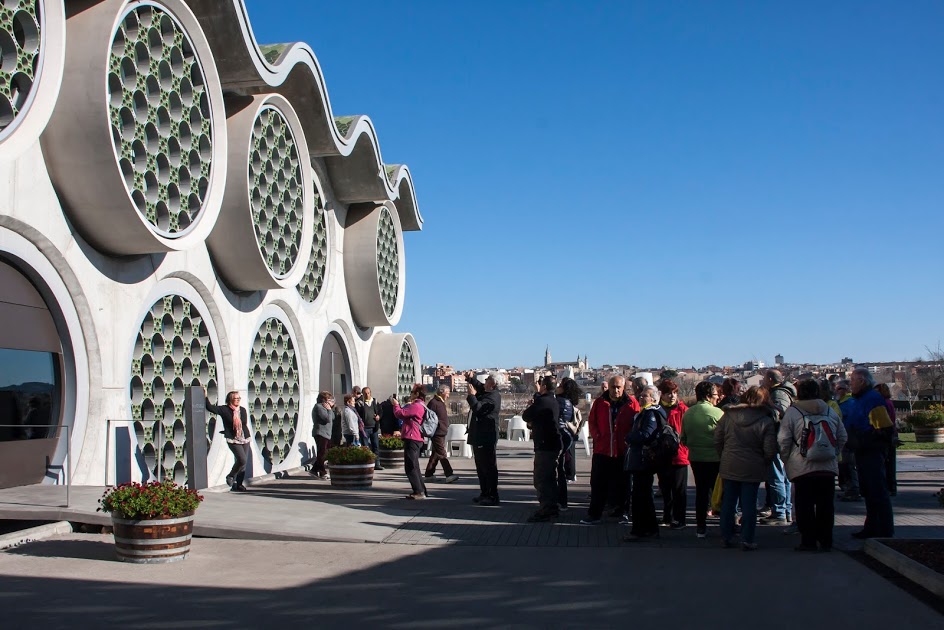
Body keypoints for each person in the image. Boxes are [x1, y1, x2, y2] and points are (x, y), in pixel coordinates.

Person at [779, 379, 847, 552]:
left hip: (802, 466)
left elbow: (784, 439)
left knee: (804, 505)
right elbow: (842, 436)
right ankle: (826, 540)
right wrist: (833, 450)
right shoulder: (829, 410)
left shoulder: (793, 412)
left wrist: (786, 458)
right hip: (827, 466)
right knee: (826, 505)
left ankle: (808, 541)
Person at [715, 386, 779, 550]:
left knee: (728, 502)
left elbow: (718, 438)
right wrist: (765, 461)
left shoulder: (728, 415)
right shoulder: (765, 420)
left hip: (730, 461)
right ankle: (747, 538)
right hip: (753, 464)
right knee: (749, 504)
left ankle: (726, 536)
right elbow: (770, 448)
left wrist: (723, 454)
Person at [580, 375, 638, 525]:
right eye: (613, 387)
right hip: (603, 450)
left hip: (622, 450)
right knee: (598, 483)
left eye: (619, 387)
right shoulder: (600, 403)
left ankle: (623, 512)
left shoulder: (632, 403)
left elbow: (637, 422)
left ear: (624, 387)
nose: (616, 390)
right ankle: (594, 514)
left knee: (624, 484)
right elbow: (592, 422)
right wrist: (598, 437)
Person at [846, 368, 895, 539]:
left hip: (871, 451)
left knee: (878, 491)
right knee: (869, 492)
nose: (850, 383)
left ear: (863, 381)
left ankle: (885, 530)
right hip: (862, 450)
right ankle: (872, 527)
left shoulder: (872, 400)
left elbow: (884, 428)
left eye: (852, 380)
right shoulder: (860, 399)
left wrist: (866, 440)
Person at [681, 381, 724, 538]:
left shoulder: (688, 413)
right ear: (708, 395)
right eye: (715, 394)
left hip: (696, 458)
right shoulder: (718, 413)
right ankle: (726, 526)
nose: (717, 397)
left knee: (701, 492)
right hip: (716, 458)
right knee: (720, 492)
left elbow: (683, 438)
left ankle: (701, 527)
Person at [622, 385, 665, 541]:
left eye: (645, 396)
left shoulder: (651, 413)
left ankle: (641, 529)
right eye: (640, 396)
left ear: (653, 399)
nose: (641, 398)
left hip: (643, 460)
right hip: (641, 459)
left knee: (641, 496)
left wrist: (630, 437)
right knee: (643, 495)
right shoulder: (645, 413)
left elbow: (647, 434)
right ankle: (648, 528)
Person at [523, 375, 562, 522]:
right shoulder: (554, 401)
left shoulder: (544, 401)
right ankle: (551, 507)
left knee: (541, 478)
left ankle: (547, 509)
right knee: (550, 477)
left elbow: (526, 416)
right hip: (552, 444)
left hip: (545, 445)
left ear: (544, 387)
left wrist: (536, 398)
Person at [761, 369, 796, 526]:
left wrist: (766, 407)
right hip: (782, 440)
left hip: (777, 441)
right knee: (782, 477)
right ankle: (785, 511)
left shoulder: (778, 395)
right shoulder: (781, 392)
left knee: (776, 477)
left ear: (770, 379)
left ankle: (780, 512)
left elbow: (778, 415)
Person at [657, 379, 689, 529]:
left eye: (675, 393)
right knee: (665, 488)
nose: (672, 396)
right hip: (662, 455)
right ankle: (667, 515)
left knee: (679, 490)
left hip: (679, 455)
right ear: (662, 394)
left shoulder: (683, 410)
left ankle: (679, 518)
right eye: (669, 393)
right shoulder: (657, 410)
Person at [204, 389, 251, 492]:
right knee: (242, 459)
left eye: (239, 398)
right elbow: (210, 408)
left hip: (244, 438)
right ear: (230, 399)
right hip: (233, 439)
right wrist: (205, 396)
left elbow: (244, 423)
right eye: (236, 398)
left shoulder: (242, 410)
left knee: (243, 463)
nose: (238, 400)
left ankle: (239, 485)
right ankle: (231, 475)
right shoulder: (224, 410)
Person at [466, 371, 501, 505]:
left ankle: (492, 495)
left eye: (487, 379)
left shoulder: (493, 397)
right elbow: (480, 386)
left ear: (492, 384)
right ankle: (484, 493)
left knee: (488, 467)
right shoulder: (488, 392)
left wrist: (471, 396)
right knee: (481, 467)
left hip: (486, 437)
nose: (485, 381)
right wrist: (471, 379)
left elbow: (479, 409)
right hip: (479, 436)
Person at [392, 383, 431, 500]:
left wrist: (396, 405)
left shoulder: (416, 406)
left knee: (410, 466)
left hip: (412, 437)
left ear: (417, 394)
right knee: (415, 465)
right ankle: (421, 490)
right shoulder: (421, 405)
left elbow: (400, 414)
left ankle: (418, 491)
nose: (410, 395)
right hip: (416, 437)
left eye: (412, 392)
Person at [556, 377, 583, 509]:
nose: (557, 386)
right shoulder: (569, 403)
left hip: (560, 437)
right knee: (561, 468)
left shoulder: (560, 402)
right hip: (567, 437)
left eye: (560, 385)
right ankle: (562, 500)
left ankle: (560, 501)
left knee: (557, 470)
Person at [424, 385, 458, 483]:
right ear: (442, 392)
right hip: (437, 432)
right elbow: (429, 418)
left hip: (441, 431)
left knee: (435, 453)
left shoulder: (439, 402)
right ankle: (449, 474)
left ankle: (428, 474)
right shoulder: (434, 403)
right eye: (447, 393)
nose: (448, 395)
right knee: (442, 453)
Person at [835, 379, 860, 501]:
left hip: (848, 436)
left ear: (845, 390)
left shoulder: (849, 402)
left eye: (839, 389)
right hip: (843, 435)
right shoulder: (840, 402)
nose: (836, 391)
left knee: (848, 464)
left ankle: (853, 489)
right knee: (844, 465)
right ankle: (848, 488)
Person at [875, 382, 900, 496]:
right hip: (890, 433)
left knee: (888, 462)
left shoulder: (884, 404)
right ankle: (891, 486)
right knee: (889, 462)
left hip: (887, 434)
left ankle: (890, 486)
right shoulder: (888, 403)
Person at [358, 386, 384, 470]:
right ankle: (367, 464)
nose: (367, 395)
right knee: (365, 446)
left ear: (370, 393)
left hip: (374, 428)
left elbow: (380, 411)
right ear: (363, 394)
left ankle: (377, 464)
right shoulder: (360, 403)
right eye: (365, 393)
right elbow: (357, 414)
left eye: (368, 393)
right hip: (364, 428)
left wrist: (378, 417)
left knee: (375, 446)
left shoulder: (375, 402)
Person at [310, 391, 334, 479]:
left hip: (327, 433)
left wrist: (330, 409)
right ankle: (322, 471)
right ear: (323, 399)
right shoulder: (319, 407)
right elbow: (326, 419)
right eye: (328, 399)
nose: (329, 401)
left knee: (325, 453)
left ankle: (314, 470)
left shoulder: (327, 408)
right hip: (321, 433)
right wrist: (328, 410)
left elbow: (333, 417)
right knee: (322, 453)